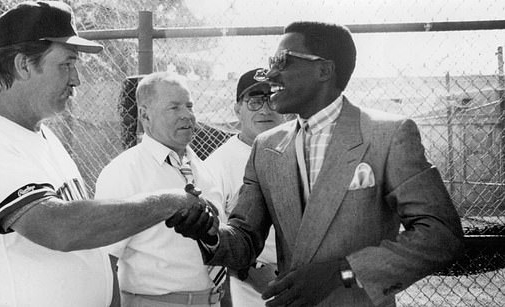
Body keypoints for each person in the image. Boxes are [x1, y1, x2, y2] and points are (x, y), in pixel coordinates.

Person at [168, 21, 464, 307]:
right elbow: (245, 239)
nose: (270, 74)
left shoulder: (387, 136)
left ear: (324, 69)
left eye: (282, 61)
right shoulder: (267, 147)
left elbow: (440, 236)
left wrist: (343, 273)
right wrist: (209, 232)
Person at [0, 2, 208, 307]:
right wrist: (168, 202)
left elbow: (89, 249)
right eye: (66, 64)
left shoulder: (43, 136)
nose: (76, 79)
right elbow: (59, 228)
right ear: (23, 65)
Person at [95, 71, 227, 307]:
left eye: (189, 105)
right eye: (174, 107)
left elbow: (220, 249)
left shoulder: (202, 169)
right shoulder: (123, 173)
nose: (187, 115)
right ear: (145, 115)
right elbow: (105, 260)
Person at [205, 68, 285, 306]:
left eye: (271, 99)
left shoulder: (298, 150)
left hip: (302, 280)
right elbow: (211, 236)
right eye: (254, 101)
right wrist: (250, 272)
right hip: (251, 287)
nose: (264, 109)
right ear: (237, 109)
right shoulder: (218, 164)